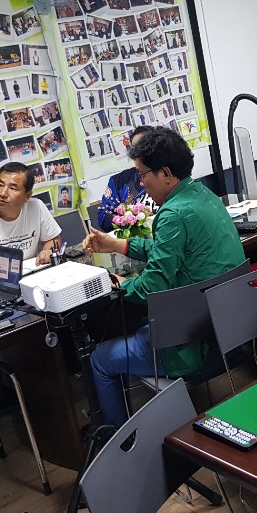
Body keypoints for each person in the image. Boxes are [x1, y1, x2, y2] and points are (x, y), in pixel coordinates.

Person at [82, 127, 245, 426]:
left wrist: (118, 284)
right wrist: (118, 245)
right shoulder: (203, 195)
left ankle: (120, 439)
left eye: (143, 175)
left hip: (192, 348)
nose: (142, 184)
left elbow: (152, 286)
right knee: (142, 328)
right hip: (230, 333)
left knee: (100, 358)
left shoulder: (172, 214)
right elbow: (169, 250)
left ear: (166, 173)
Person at [97, 126, 157, 231]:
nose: (139, 153)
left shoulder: (167, 175)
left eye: (144, 147)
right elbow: (103, 218)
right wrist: (130, 217)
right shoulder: (118, 181)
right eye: (135, 149)